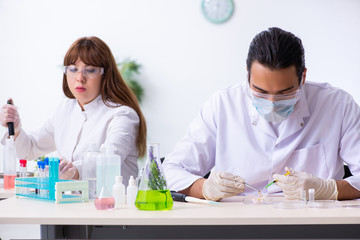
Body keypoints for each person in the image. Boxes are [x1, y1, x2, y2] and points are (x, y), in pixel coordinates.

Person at [163, 27, 360, 201]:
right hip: (237, 223)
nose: (272, 103)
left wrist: (329, 189)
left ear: (303, 77)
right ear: (247, 76)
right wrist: (205, 188)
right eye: (261, 92)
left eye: (285, 93)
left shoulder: (338, 105)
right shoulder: (223, 104)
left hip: (312, 221)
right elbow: (171, 170)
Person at [0, 36, 147, 184]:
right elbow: (29, 149)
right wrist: (16, 128)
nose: (80, 78)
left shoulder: (122, 115)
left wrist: (74, 171)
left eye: (90, 70)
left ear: (105, 74)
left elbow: (110, 159)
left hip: (113, 204)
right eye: (73, 69)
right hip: (71, 203)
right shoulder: (64, 109)